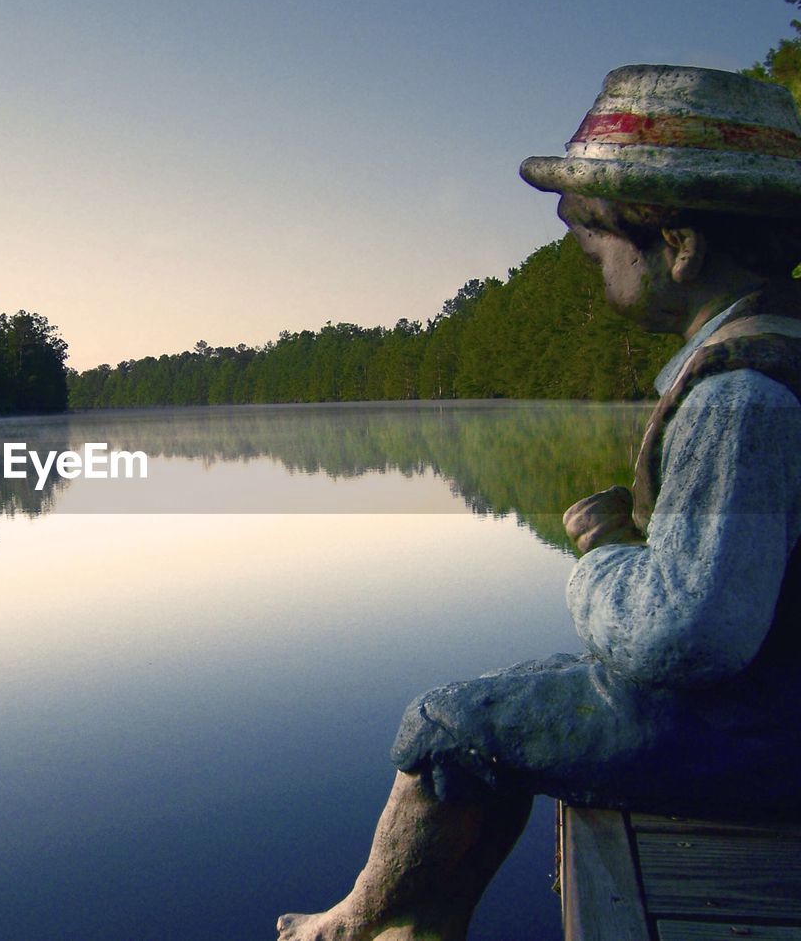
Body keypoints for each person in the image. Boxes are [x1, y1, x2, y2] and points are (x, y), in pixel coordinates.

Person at [277, 64, 801, 941]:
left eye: (598, 236)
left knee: (444, 723)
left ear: (680, 246)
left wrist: (600, 554)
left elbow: (691, 634)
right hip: (771, 704)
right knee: (517, 693)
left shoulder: (739, 399)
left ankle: (364, 929)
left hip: (760, 735)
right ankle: (407, 922)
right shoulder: (770, 360)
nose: (588, 257)